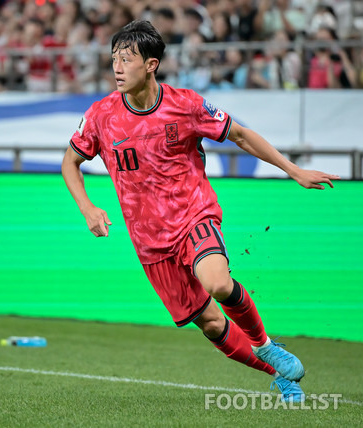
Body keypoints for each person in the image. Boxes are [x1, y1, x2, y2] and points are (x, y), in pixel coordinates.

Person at [61, 20, 340, 402]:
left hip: (194, 216)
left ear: (151, 64)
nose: (117, 68)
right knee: (210, 324)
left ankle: (263, 343)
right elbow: (69, 162)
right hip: (149, 242)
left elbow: (239, 134)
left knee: (218, 284)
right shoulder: (100, 116)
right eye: (114, 59)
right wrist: (88, 208)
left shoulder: (186, 105)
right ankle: (278, 373)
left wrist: (294, 170)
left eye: (127, 59)